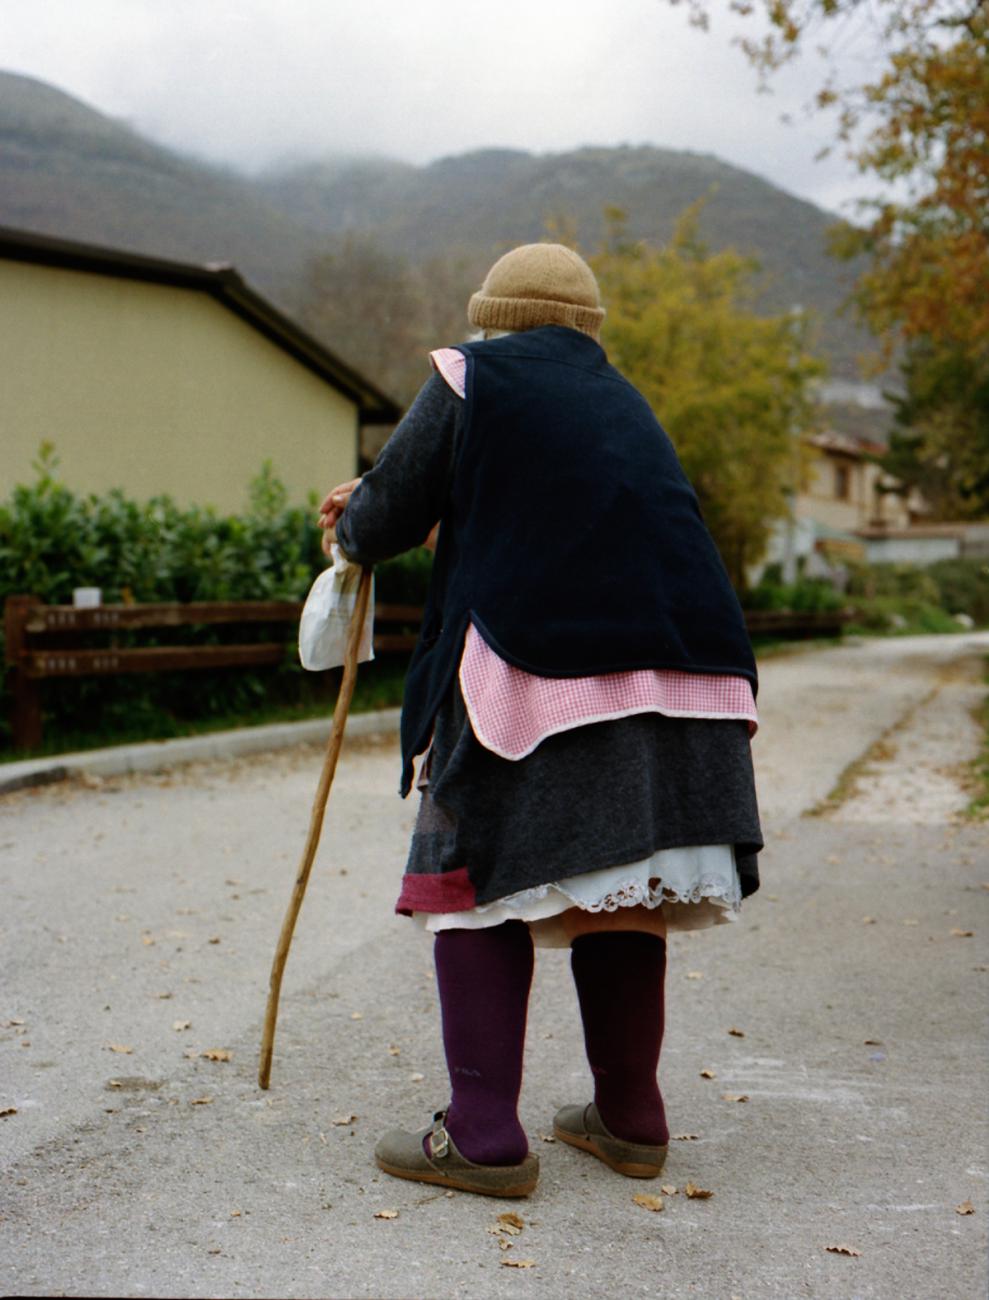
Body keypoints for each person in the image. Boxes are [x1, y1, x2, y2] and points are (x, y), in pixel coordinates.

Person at [317, 243, 762, 1199]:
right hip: (691, 672)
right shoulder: (619, 401)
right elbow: (552, 514)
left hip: (540, 668)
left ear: (492, 317)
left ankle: (481, 1135)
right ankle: (630, 1119)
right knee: (623, 881)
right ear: (586, 329)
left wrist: (354, 522)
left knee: (476, 882)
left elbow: (383, 516)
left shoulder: (470, 376)